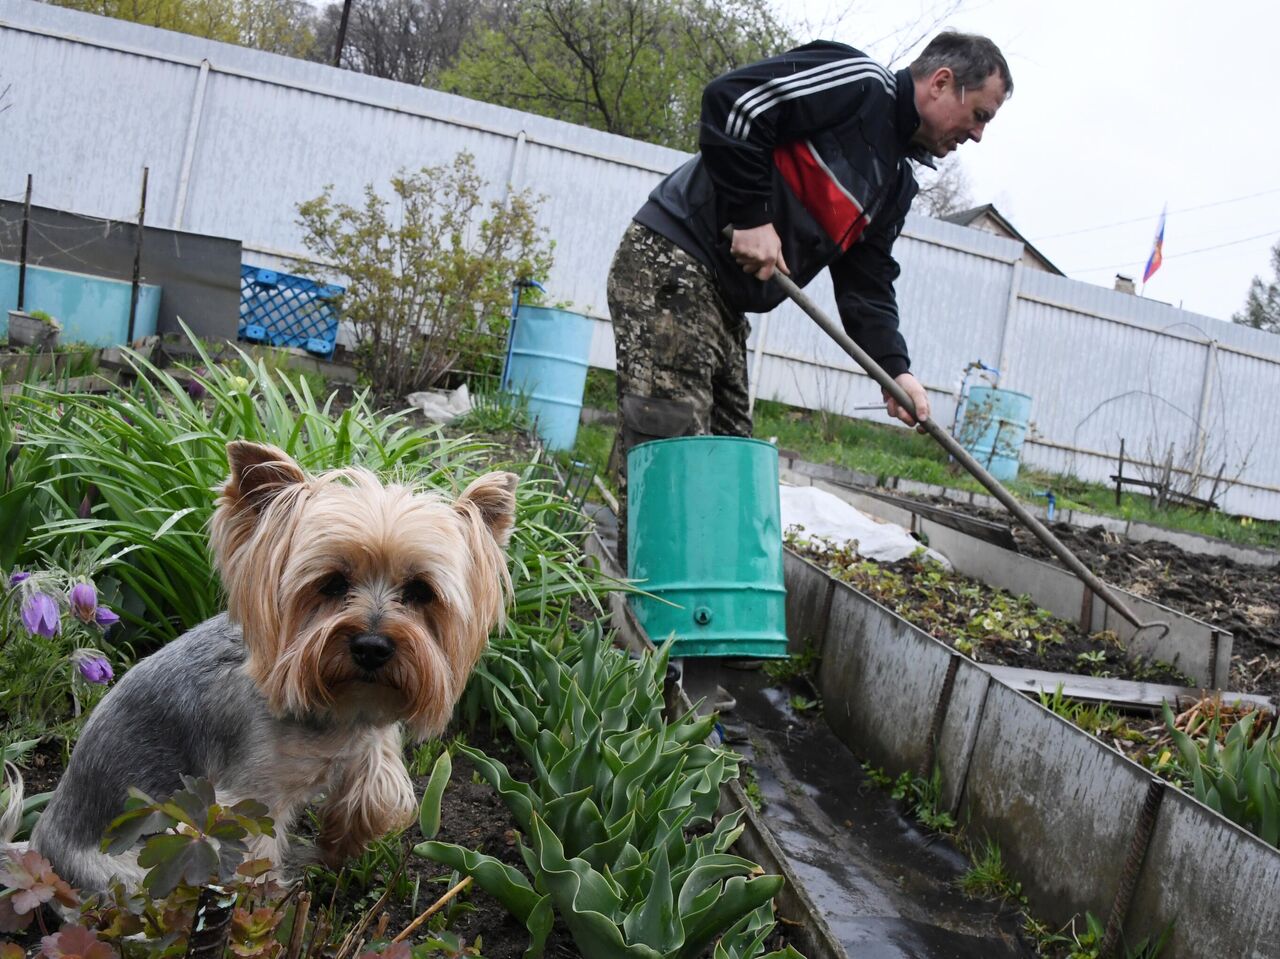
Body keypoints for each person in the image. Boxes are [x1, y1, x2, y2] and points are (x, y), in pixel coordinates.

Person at [607, 31, 1012, 567]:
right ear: (942, 83)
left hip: (723, 302)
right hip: (675, 261)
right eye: (980, 115)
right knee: (673, 452)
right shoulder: (857, 87)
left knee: (731, 465)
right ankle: (645, 625)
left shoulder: (893, 182)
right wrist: (752, 216)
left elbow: (868, 282)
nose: (979, 135)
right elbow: (734, 102)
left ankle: (709, 628)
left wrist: (895, 369)